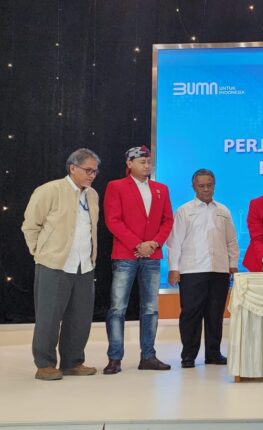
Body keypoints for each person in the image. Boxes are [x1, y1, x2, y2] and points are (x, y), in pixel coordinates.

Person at [21, 148, 101, 380]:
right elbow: (30, 225)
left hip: (84, 265)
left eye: (95, 171)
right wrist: (40, 253)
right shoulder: (50, 190)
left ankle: (73, 362)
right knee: (49, 316)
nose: (92, 175)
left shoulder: (93, 195)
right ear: (73, 168)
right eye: (88, 170)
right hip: (54, 264)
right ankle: (45, 364)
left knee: (80, 318)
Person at [103, 146, 174, 374]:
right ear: (130, 164)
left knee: (151, 309)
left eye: (148, 161)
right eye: (142, 162)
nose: (147, 165)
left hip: (152, 255)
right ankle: (115, 358)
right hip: (126, 255)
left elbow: (168, 220)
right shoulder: (116, 186)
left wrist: (153, 244)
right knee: (118, 308)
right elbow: (113, 220)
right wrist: (137, 244)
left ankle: (148, 357)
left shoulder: (161, 189)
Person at [166, 169, 239, 369]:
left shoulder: (223, 211)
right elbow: (174, 242)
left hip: (219, 270)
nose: (206, 189)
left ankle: (213, 354)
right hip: (191, 270)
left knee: (215, 314)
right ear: (194, 187)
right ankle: (188, 356)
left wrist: (233, 264)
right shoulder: (184, 211)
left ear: (214, 186)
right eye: (201, 186)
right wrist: (174, 268)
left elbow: (231, 240)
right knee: (191, 314)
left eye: (209, 185)